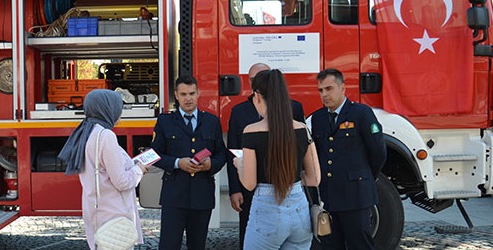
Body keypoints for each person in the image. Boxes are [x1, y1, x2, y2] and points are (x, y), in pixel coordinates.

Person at [233, 69, 320, 250]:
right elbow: (314, 179)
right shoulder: (303, 129)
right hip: (300, 211)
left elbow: (249, 183)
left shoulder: (251, 131)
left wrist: (240, 165)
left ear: (257, 96)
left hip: (266, 212)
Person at [58, 89, 148, 250]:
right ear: (107, 109)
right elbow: (122, 182)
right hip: (113, 213)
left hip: (97, 211)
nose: (120, 111)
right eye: (118, 106)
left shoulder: (87, 132)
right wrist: (139, 169)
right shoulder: (106, 136)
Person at [309, 68, 386, 250]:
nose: (325, 94)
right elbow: (317, 154)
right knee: (330, 245)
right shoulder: (318, 118)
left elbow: (378, 151)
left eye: (329, 89)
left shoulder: (361, 113)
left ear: (342, 88)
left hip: (355, 195)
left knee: (359, 244)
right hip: (329, 197)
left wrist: (368, 175)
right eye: (321, 90)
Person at [150, 75, 227, 250]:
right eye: (183, 94)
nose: (188, 98)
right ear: (176, 95)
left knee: (197, 246)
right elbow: (154, 154)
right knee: (169, 245)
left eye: (192, 93)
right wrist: (177, 162)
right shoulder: (165, 121)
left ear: (198, 93)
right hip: (174, 196)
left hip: (202, 194)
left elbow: (221, 153)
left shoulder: (212, 122)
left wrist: (210, 165)